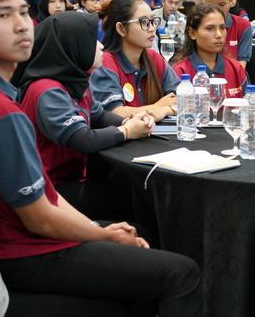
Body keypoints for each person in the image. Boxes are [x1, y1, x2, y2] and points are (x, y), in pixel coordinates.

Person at [0, 0, 202, 315]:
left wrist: (98, 229)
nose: (21, 25)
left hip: (4, 243)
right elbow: (39, 218)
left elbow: (45, 196)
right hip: (23, 252)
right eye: (3, 15)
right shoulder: (0, 112)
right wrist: (102, 234)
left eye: (24, 12)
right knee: (182, 273)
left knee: (139, 233)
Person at [13, 13, 153, 219]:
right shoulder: (47, 90)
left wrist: (129, 120)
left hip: (75, 177)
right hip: (50, 189)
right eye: (92, 40)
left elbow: (99, 116)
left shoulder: (75, 81)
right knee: (135, 198)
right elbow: (83, 140)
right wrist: (126, 131)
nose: (101, 46)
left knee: (135, 189)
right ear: (73, 46)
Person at [90, 0, 178, 122]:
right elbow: (115, 113)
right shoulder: (105, 63)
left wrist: (164, 110)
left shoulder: (154, 58)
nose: (152, 28)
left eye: (153, 21)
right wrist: (157, 107)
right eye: (144, 22)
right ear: (121, 28)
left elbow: (181, 98)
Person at [173, 3, 248, 98]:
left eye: (222, 28)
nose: (219, 35)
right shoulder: (180, 71)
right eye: (210, 28)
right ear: (192, 33)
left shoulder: (236, 69)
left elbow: (249, 103)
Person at [202, 0, 252, 69]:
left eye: (222, 5)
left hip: (232, 75)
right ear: (205, 0)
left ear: (231, 1)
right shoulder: (197, 24)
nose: (216, 10)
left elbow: (241, 66)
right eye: (211, 5)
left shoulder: (243, 25)